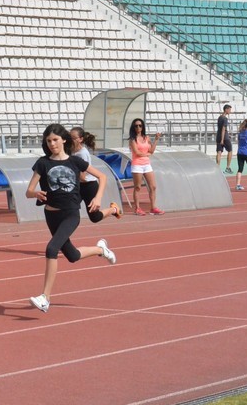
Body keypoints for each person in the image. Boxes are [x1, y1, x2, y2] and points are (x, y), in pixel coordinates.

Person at [26, 124, 116, 313]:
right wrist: (35, 194)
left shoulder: (75, 161)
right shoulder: (42, 163)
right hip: (51, 214)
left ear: (64, 140)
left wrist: (98, 198)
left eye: (55, 140)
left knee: (52, 249)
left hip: (70, 214)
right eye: (49, 141)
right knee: (72, 256)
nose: (52, 144)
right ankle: (101, 249)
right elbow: (28, 191)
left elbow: (102, 177)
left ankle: (45, 298)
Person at [70, 126, 123, 222]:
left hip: (88, 186)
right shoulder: (69, 151)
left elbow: (83, 177)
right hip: (78, 186)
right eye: (69, 137)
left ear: (80, 139)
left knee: (95, 217)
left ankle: (114, 209)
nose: (70, 140)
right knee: (68, 208)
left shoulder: (82, 154)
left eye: (73, 138)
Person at [128, 118, 164, 216]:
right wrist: (146, 154)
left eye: (140, 125)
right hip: (137, 165)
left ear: (143, 127)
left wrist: (156, 139)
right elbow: (137, 152)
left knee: (153, 186)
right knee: (137, 187)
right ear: (133, 127)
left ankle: (153, 208)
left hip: (147, 164)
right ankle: (137, 208)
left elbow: (151, 150)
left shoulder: (146, 138)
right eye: (136, 126)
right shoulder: (132, 139)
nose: (138, 127)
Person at [216, 104, 233, 174]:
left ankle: (217, 168)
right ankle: (227, 167)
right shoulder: (225, 119)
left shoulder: (219, 117)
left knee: (219, 152)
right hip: (224, 137)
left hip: (218, 136)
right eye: (229, 109)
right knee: (230, 151)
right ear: (226, 109)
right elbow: (223, 129)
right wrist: (223, 139)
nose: (230, 111)